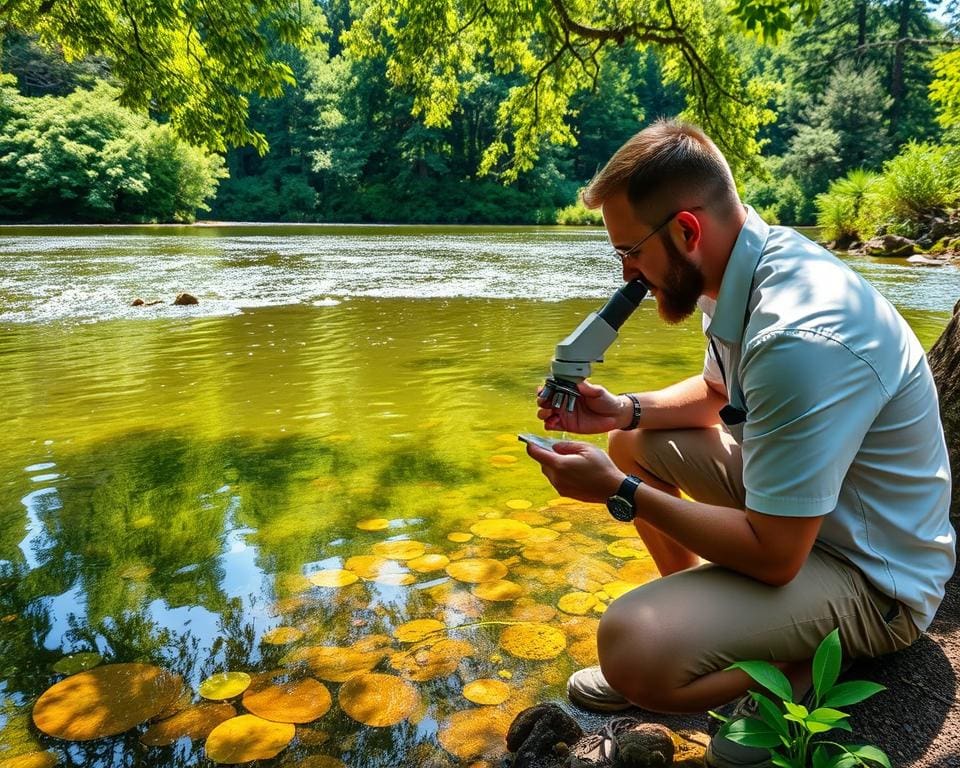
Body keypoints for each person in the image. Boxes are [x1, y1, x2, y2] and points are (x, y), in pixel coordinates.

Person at [524, 119, 955, 768]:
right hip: (813, 516)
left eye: (630, 251)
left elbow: (777, 555)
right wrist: (622, 409)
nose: (626, 273)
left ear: (686, 231)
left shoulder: (797, 336)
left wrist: (619, 494)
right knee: (633, 441)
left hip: (874, 576)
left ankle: (790, 662)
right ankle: (713, 637)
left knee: (629, 646)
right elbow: (714, 390)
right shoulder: (740, 267)